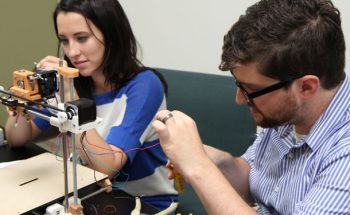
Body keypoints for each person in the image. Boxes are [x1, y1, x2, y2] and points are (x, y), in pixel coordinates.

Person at [152, 0, 350, 214]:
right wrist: (215, 160)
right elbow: (253, 180)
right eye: (239, 85)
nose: (239, 98)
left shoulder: (344, 152)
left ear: (306, 87)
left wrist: (198, 166)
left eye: (251, 89)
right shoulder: (289, 111)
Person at [5, 0, 178, 211]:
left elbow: (107, 167)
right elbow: (16, 138)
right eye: (64, 41)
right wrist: (22, 102)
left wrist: (70, 99)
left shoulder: (145, 86)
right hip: (92, 196)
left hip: (145, 205)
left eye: (82, 38)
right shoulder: (73, 83)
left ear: (112, 34)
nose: (72, 51)